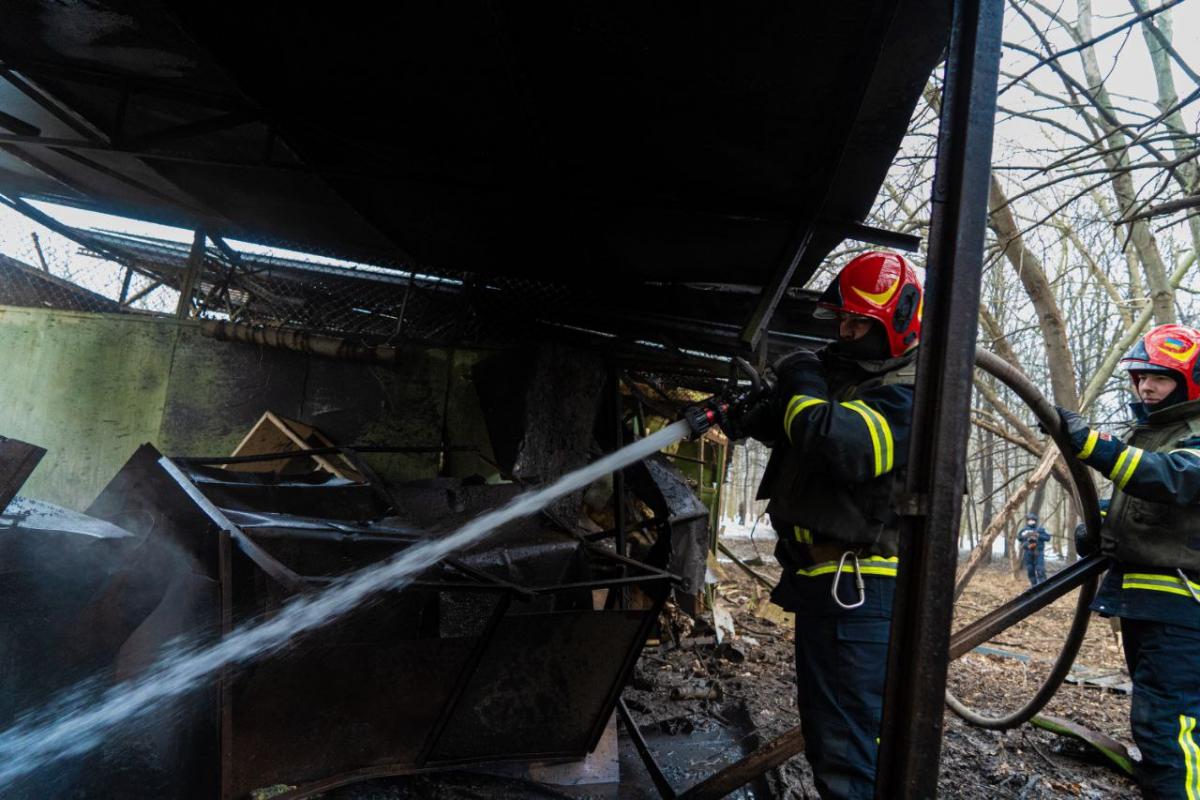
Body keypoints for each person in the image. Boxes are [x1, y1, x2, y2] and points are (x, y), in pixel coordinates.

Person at [723, 250, 920, 799]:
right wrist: (756, 414)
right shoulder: (852, 379)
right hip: (829, 585)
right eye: (843, 321)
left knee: (849, 748)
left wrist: (802, 375)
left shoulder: (911, 392)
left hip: (861, 589)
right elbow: (804, 434)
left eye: (861, 323)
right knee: (832, 736)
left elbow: (839, 444)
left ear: (898, 323)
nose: (847, 331)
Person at [1053, 323, 1200, 799]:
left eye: (1159, 377)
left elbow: (1168, 479)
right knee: (1163, 722)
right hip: (1154, 606)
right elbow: (1140, 502)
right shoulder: (1157, 434)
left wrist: (1092, 443)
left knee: (1169, 729)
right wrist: (1098, 527)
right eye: (1139, 377)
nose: (1146, 387)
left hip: (1183, 608)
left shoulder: (1192, 438)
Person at [1017, 512, 1051, 586]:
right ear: (1027, 521)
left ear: (1035, 521)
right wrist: (1027, 539)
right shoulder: (1024, 530)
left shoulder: (1040, 530)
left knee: (1040, 569)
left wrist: (1038, 535)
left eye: (1033, 520)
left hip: (1039, 552)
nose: (1031, 521)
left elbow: (1048, 538)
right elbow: (1019, 538)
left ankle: (1043, 585)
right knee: (1030, 570)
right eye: (1029, 520)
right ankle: (1034, 586)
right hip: (1028, 553)